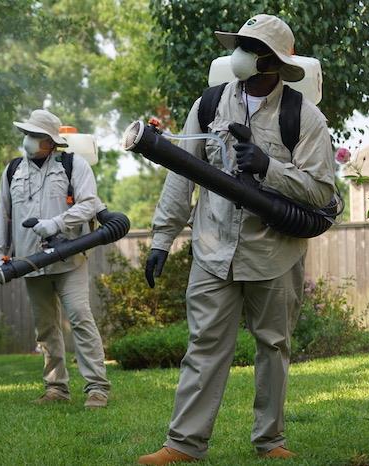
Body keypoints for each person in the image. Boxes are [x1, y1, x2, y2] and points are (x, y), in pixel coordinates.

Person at [138, 14, 335, 464]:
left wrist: (268, 165)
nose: (241, 53)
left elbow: (321, 190)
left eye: (251, 46)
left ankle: (270, 441)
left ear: (273, 62)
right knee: (203, 346)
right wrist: (161, 241)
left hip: (274, 252)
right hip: (212, 250)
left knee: (273, 347)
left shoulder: (303, 116)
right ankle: (183, 444)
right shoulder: (208, 105)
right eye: (241, 43)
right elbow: (180, 178)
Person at [0, 109, 111, 408]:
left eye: (35, 135)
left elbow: (90, 205)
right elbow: (2, 214)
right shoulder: (13, 170)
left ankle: (97, 388)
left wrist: (56, 223)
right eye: (27, 134)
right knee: (45, 327)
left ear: (50, 141)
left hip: (69, 259)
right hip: (30, 261)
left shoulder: (73, 165)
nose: (28, 140)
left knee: (80, 317)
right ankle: (56, 387)